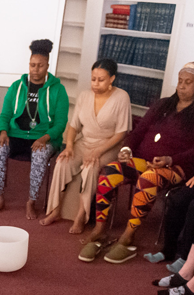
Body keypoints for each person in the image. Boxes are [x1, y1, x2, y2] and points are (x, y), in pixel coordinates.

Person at [79, 61, 194, 264]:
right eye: (180, 81)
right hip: (143, 160)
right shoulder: (164, 103)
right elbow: (138, 131)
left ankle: (129, 235)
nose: (181, 86)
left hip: (177, 168)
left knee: (148, 180)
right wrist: (127, 149)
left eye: (188, 82)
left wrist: (170, 159)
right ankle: (100, 229)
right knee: (109, 171)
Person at [41, 59, 132, 233]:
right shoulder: (84, 95)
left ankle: (80, 217)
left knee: (90, 168)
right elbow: (74, 125)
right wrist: (68, 147)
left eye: (101, 79)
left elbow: (121, 134)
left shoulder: (122, 97)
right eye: (93, 79)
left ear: (112, 79)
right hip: (84, 142)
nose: (95, 84)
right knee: (62, 162)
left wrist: (98, 151)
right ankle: (55, 210)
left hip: (108, 146)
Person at [0, 39, 69, 219]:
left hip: (43, 138)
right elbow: (5, 115)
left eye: (40, 65)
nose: (35, 69)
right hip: (16, 135)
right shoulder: (17, 87)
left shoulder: (58, 90)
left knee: (40, 155)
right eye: (32, 65)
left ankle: (31, 202)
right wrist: (2, 132)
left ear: (47, 65)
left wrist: (45, 138)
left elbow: (61, 124)